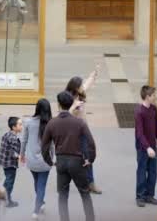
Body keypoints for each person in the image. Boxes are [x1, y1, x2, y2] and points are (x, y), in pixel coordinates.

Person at [42, 91, 96, 221]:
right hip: (77, 161)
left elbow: (44, 146)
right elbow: (91, 143)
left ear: (59, 105)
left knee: (62, 195)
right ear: (71, 103)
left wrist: (50, 161)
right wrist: (90, 159)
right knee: (84, 193)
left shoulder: (52, 123)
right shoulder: (79, 122)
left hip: (61, 161)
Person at [65, 64, 101, 194]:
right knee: (73, 158)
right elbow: (63, 115)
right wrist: (73, 107)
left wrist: (94, 73)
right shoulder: (68, 99)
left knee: (88, 156)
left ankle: (90, 183)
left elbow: (88, 84)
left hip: (84, 130)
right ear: (75, 88)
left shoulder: (81, 94)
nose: (82, 87)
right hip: (73, 133)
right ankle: (67, 181)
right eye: (80, 86)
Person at [20, 99, 54, 220]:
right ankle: (36, 210)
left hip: (32, 160)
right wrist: (52, 158)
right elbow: (52, 145)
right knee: (41, 185)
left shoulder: (28, 122)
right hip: (45, 160)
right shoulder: (51, 123)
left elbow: (23, 140)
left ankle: (41, 202)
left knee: (37, 182)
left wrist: (22, 155)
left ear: (37, 108)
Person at [134, 85, 157, 207]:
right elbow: (139, 134)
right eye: (153, 95)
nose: (155, 97)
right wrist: (147, 148)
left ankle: (149, 195)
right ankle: (140, 196)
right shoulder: (139, 112)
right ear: (147, 97)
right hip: (143, 147)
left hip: (152, 145)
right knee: (142, 171)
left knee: (153, 172)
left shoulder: (154, 109)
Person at [0, 116, 23, 208]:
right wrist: (19, 156)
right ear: (14, 127)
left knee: (7, 179)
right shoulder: (13, 138)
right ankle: (7, 200)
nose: (22, 127)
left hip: (4, 162)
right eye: (20, 125)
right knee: (10, 182)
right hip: (10, 164)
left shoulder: (6, 134)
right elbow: (11, 152)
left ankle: (2, 195)